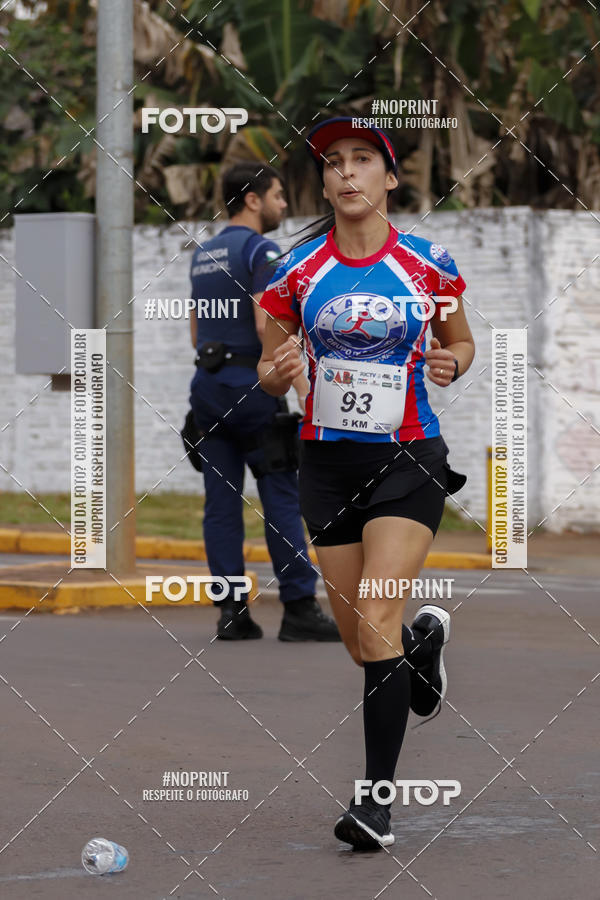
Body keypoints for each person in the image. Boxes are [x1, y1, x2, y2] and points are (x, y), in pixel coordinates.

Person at [257, 118, 475, 849]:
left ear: (389, 177)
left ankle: (375, 804)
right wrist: (278, 373)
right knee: (361, 642)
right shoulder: (295, 272)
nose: (347, 172)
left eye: (362, 159)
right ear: (324, 184)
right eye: (334, 163)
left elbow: (460, 341)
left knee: (375, 618)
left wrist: (452, 363)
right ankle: (421, 647)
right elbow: (268, 366)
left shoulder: (428, 265)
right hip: (325, 467)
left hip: (408, 459)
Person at [188, 161, 341, 643]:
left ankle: (232, 614)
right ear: (252, 200)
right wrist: (301, 390)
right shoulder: (262, 250)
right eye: (277, 195)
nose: (284, 204)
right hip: (253, 391)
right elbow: (266, 325)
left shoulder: (203, 253)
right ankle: (299, 608)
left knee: (220, 505)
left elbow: (195, 331)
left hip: (207, 389)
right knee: (280, 496)